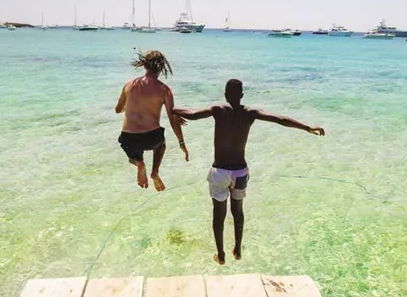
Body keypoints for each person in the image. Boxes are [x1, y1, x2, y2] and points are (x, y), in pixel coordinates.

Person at [174, 79, 324, 265]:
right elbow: (280, 119)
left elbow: (192, 114)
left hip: (219, 171)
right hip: (240, 172)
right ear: (242, 95)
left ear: (225, 95)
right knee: (238, 211)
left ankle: (220, 254)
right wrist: (307, 127)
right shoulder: (250, 113)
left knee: (218, 215)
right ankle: (237, 249)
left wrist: (170, 109)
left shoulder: (218, 109)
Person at [115, 50, 188, 191]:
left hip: (129, 138)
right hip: (152, 137)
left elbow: (118, 110)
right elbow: (173, 119)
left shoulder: (129, 85)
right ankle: (155, 172)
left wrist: (128, 105)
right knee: (161, 145)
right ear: (161, 68)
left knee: (132, 155)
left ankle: (138, 163)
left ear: (144, 65)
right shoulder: (164, 90)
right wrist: (181, 143)